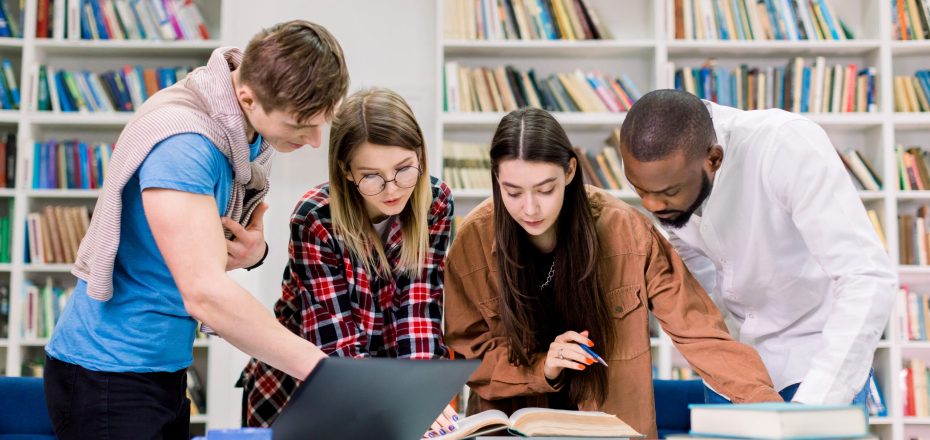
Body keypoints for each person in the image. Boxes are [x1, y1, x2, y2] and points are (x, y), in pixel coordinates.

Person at [43, 20, 349, 439]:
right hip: (108, 371)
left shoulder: (243, 132)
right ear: (247, 96)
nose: (316, 140)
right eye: (301, 125)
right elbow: (205, 294)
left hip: (163, 364)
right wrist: (322, 370)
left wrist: (253, 252)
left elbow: (201, 246)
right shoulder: (183, 144)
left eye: (323, 122)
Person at [441, 107, 782, 438]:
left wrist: (776, 415)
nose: (530, 208)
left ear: (570, 171)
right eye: (512, 192)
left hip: (610, 429)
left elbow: (700, 333)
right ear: (496, 179)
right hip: (511, 427)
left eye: (545, 189)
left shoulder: (626, 231)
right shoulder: (472, 244)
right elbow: (472, 357)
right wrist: (543, 367)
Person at [618, 89, 896, 405]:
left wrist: (815, 406)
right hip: (739, 366)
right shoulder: (661, 173)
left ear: (714, 159)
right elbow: (699, 281)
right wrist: (723, 358)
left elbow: (867, 275)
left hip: (818, 359)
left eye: (668, 192)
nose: (652, 204)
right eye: (639, 189)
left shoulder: (785, 146)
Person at [241, 88, 457, 431]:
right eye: (371, 175)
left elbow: (419, 309)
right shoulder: (315, 218)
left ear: (420, 154)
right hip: (302, 391)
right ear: (347, 171)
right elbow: (336, 345)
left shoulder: (436, 202)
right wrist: (401, 404)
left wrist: (422, 398)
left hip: (388, 387)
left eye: (403, 169)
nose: (392, 189)